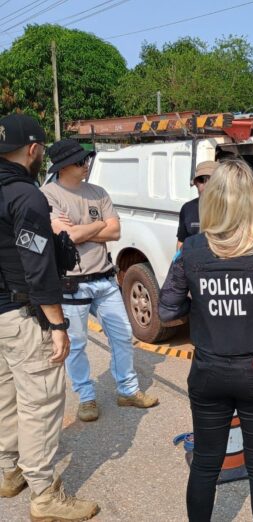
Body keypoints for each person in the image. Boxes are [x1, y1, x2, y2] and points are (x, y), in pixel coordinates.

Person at [159, 160, 253, 522]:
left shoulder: (192, 249)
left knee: (206, 464)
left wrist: (203, 302)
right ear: (252, 201)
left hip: (209, 370)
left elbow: (166, 310)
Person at [0, 114, 98, 520]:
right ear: (35, 149)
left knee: (5, 396)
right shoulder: (27, 196)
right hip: (23, 313)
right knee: (39, 401)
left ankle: (8, 471)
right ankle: (43, 495)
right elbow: (37, 266)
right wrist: (57, 324)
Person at [41, 139, 159, 423]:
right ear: (65, 165)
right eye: (81, 161)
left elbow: (115, 231)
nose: (86, 165)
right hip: (72, 283)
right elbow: (66, 237)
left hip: (105, 279)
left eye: (86, 160)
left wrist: (86, 229)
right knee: (77, 344)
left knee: (121, 335)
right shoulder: (48, 195)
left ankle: (127, 390)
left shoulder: (98, 192)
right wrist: (98, 226)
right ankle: (86, 397)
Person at [176, 160, 218, 250]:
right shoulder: (187, 208)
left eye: (212, 179)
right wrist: (177, 262)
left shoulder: (231, 208)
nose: (207, 185)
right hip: (194, 263)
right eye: (202, 180)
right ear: (196, 183)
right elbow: (181, 241)